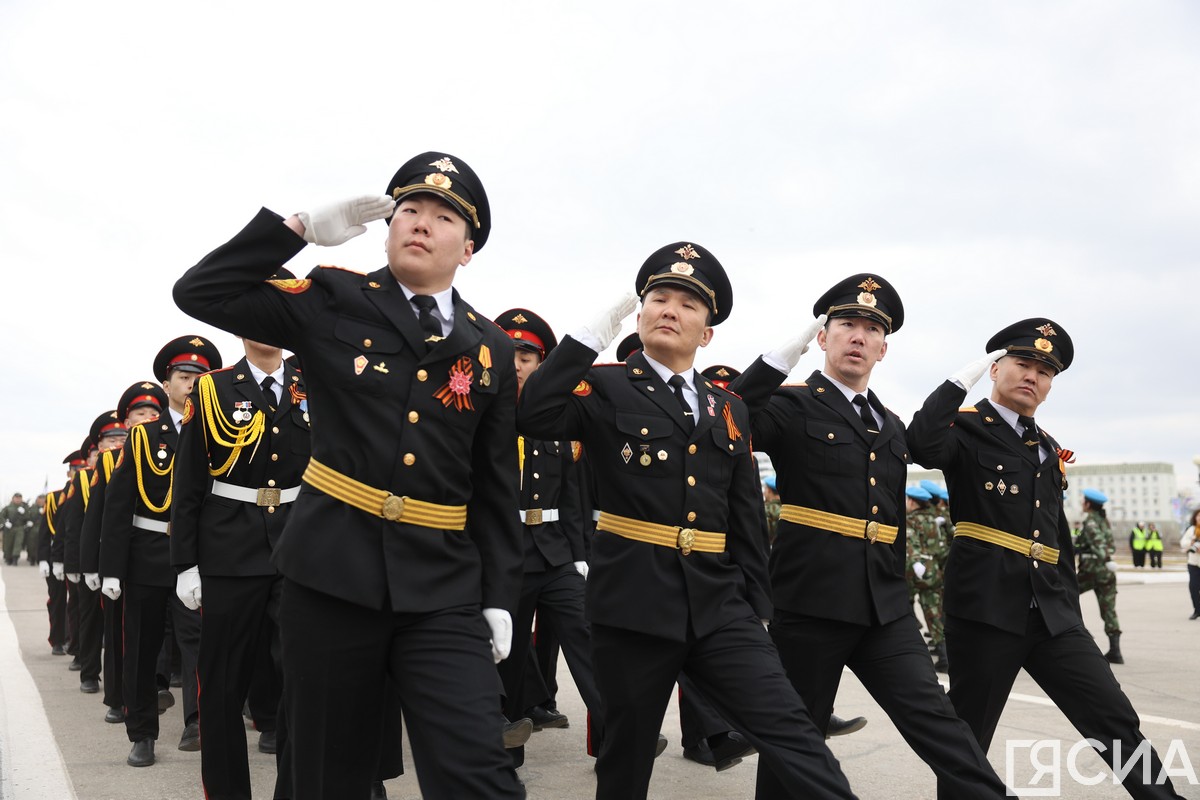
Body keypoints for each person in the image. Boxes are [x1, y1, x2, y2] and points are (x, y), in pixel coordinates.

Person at [174, 151, 525, 800]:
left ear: (468, 249)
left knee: (479, 771)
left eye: (442, 216)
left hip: (442, 588)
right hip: (331, 577)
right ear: (389, 227)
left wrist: (501, 595)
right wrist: (298, 229)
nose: (420, 223)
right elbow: (200, 292)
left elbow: (496, 489)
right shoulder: (333, 299)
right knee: (328, 778)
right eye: (408, 210)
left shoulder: (491, 349)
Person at [518, 242, 856, 799]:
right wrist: (587, 337)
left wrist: (758, 609)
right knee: (626, 757)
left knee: (792, 729)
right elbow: (533, 413)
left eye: (688, 304)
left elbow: (745, 515)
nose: (670, 309)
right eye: (658, 297)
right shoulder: (605, 386)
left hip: (719, 605)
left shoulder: (728, 407)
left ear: (707, 333)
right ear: (642, 311)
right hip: (633, 605)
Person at [730, 274, 1005, 799]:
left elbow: (928, 443)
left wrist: (955, 384)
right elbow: (730, 416)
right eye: (846, 325)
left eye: (871, 330)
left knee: (938, 722)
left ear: (883, 348)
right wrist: (779, 358)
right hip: (810, 601)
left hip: (884, 605)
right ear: (823, 338)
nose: (858, 336)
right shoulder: (790, 406)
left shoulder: (889, 422)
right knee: (797, 737)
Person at [907, 317, 1184, 798]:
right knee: (969, 735)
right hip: (986, 610)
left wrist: (1071, 610)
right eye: (1023, 363)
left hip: (1052, 613)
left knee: (1112, 715)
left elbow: (1057, 539)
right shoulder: (967, 428)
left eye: (1046, 371)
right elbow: (921, 443)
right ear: (996, 369)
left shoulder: (1046, 447)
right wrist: (958, 382)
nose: (1034, 376)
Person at [169, 335, 307, 798]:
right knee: (223, 685)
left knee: (304, 679)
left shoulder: (314, 382)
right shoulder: (212, 388)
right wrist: (185, 562)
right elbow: (188, 478)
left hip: (298, 546)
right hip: (229, 549)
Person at [101, 336, 218, 766]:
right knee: (143, 646)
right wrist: (111, 568)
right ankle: (142, 732)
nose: (190, 385)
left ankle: (196, 722)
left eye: (199, 379)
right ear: (166, 384)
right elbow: (118, 506)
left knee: (198, 643)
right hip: (147, 552)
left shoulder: (220, 434)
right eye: (183, 377)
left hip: (199, 557)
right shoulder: (144, 436)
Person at [1076, 488, 1123, 664]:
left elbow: (1099, 544)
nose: (1082, 504)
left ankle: (1080, 634)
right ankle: (1115, 650)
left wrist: (1104, 558)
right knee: (1108, 608)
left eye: (1083, 501)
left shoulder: (1091, 522)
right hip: (1107, 571)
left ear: (1088, 504)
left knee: (1065, 595)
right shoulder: (1104, 520)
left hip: (1093, 568)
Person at [904, 486, 947, 672]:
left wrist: (915, 563)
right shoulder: (933, 520)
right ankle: (944, 656)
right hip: (934, 572)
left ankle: (909, 648)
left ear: (912, 501)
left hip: (914, 574)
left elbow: (910, 543)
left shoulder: (911, 521)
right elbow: (941, 548)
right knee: (935, 615)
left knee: (902, 608)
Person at [1, 493, 31, 565]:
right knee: (8, 544)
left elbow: (28, 518)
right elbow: (1, 516)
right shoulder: (7, 507)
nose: (18, 500)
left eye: (19, 498)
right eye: (16, 498)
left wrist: (24, 513)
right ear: (13, 498)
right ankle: (8, 558)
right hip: (9, 529)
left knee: (18, 543)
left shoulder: (24, 508)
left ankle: (15, 559)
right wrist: (5, 523)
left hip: (19, 528)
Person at [1181, 509, 1200, 620]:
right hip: (1193, 563)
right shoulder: (1191, 530)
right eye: (1198, 516)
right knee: (1193, 587)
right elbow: (1183, 542)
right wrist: (1191, 543)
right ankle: (1197, 610)